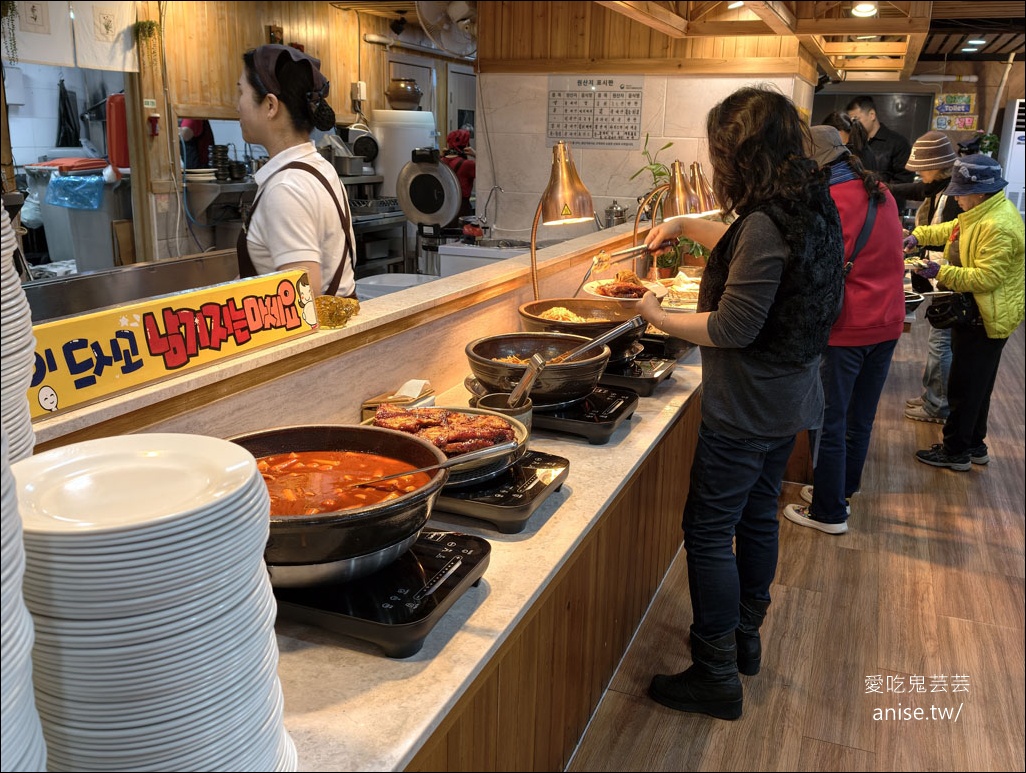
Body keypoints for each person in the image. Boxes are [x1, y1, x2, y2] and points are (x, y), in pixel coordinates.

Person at [634, 86, 845, 720]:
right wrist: (680, 225)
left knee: (706, 532)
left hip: (749, 406)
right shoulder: (809, 202)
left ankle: (715, 671)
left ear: (737, 154)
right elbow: (746, 244)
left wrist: (658, 315)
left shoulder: (761, 222)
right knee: (757, 517)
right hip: (791, 396)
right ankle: (746, 637)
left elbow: (732, 327)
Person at [781, 125, 905, 535]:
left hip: (848, 326)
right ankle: (841, 492)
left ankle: (829, 511)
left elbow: (809, 268)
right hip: (887, 323)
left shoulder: (828, 202)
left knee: (829, 421)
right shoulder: (880, 191)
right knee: (860, 419)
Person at [906, 154, 1025, 470]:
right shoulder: (981, 212)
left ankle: (955, 452)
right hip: (981, 311)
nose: (955, 197)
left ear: (981, 191)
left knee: (963, 388)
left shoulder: (999, 225)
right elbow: (951, 229)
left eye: (960, 191)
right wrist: (917, 235)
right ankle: (974, 445)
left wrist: (938, 271)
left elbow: (988, 277)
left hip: (986, 316)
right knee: (978, 387)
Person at [235, 44, 356, 298]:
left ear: (270, 106)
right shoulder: (319, 168)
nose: (238, 106)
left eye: (241, 93)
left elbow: (303, 299)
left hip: (313, 336)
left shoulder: (285, 188)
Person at [888, 130, 961, 425]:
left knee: (941, 343)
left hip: (950, 278)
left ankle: (938, 404)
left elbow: (955, 239)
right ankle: (933, 396)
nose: (919, 174)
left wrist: (919, 243)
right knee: (938, 340)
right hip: (941, 276)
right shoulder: (940, 187)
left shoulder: (954, 195)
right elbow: (916, 191)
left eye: (923, 168)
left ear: (937, 166)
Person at [845, 96, 914, 210]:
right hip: (858, 208)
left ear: (872, 114)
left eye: (856, 119)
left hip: (888, 208)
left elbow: (904, 181)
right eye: (851, 121)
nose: (854, 125)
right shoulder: (853, 144)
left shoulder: (897, 142)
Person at [441, 129, 476, 221]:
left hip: (442, 211)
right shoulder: (468, 165)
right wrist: (476, 154)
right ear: (466, 145)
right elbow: (488, 173)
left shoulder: (440, 162)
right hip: (461, 211)